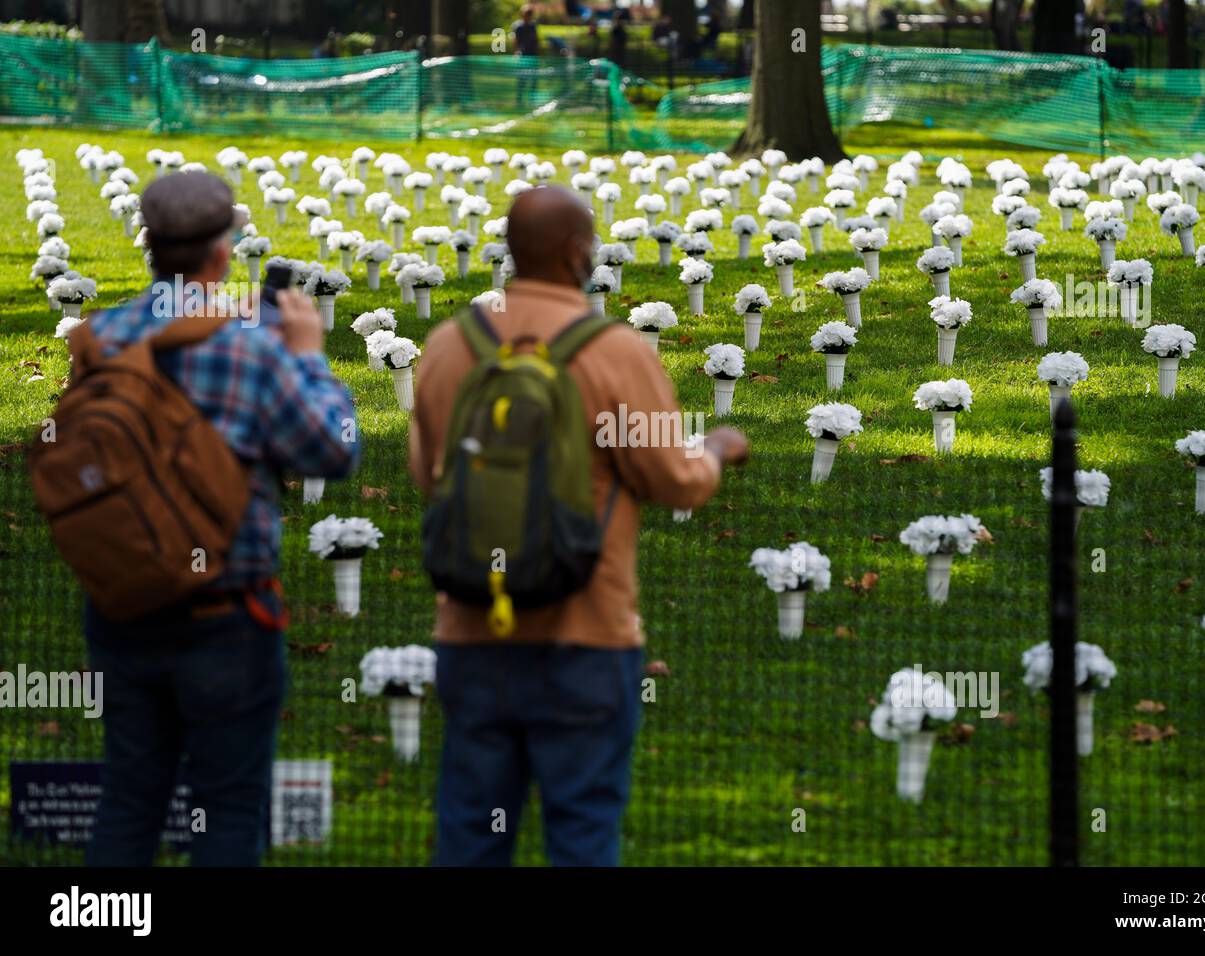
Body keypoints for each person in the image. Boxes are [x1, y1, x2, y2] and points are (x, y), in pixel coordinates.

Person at [409, 187, 749, 866]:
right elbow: (672, 479)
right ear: (576, 252)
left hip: (474, 630)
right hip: (586, 634)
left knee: (473, 835)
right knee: (583, 834)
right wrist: (713, 450)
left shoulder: (451, 344)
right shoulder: (614, 352)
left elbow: (431, 478)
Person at [81, 172, 361, 866]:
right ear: (222, 250)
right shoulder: (258, 344)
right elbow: (332, 449)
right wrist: (309, 358)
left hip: (123, 604)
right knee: (230, 805)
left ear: (149, 247)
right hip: (227, 613)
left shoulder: (100, 338)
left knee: (129, 796)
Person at [513, 4, 541, 108]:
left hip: (533, 56)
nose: (528, 16)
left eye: (529, 14)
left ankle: (532, 101)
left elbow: (537, 41)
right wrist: (516, 52)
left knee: (534, 80)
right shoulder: (518, 26)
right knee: (522, 79)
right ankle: (519, 100)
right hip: (523, 57)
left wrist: (539, 53)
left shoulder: (533, 25)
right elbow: (515, 41)